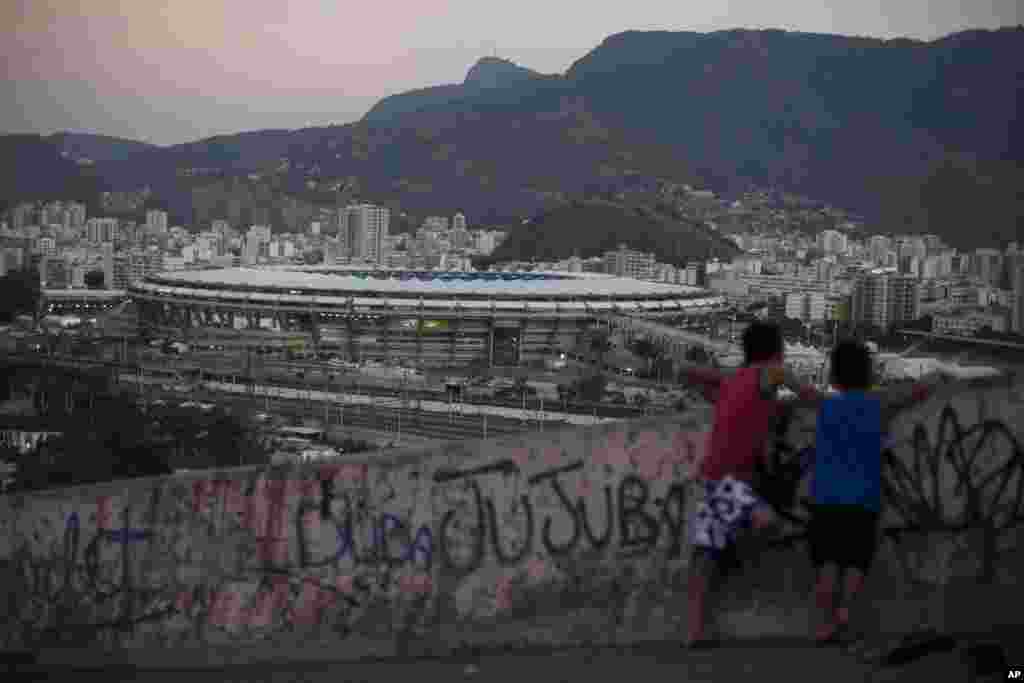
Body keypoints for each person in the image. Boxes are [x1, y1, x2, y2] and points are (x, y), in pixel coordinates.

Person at [681, 320, 821, 648]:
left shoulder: (736, 380)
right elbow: (808, 393)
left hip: (717, 475)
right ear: (775, 351)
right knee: (768, 524)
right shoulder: (768, 373)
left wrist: (719, 392)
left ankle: (694, 631)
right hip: (735, 479)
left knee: (706, 555)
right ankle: (734, 552)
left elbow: (685, 369)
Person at [807, 339, 943, 644]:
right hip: (863, 496)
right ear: (868, 373)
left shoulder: (825, 405)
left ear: (834, 376)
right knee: (856, 561)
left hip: (825, 496)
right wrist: (938, 373)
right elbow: (918, 391)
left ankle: (826, 624)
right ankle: (845, 611)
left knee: (827, 562)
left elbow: (800, 396)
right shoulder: (879, 403)